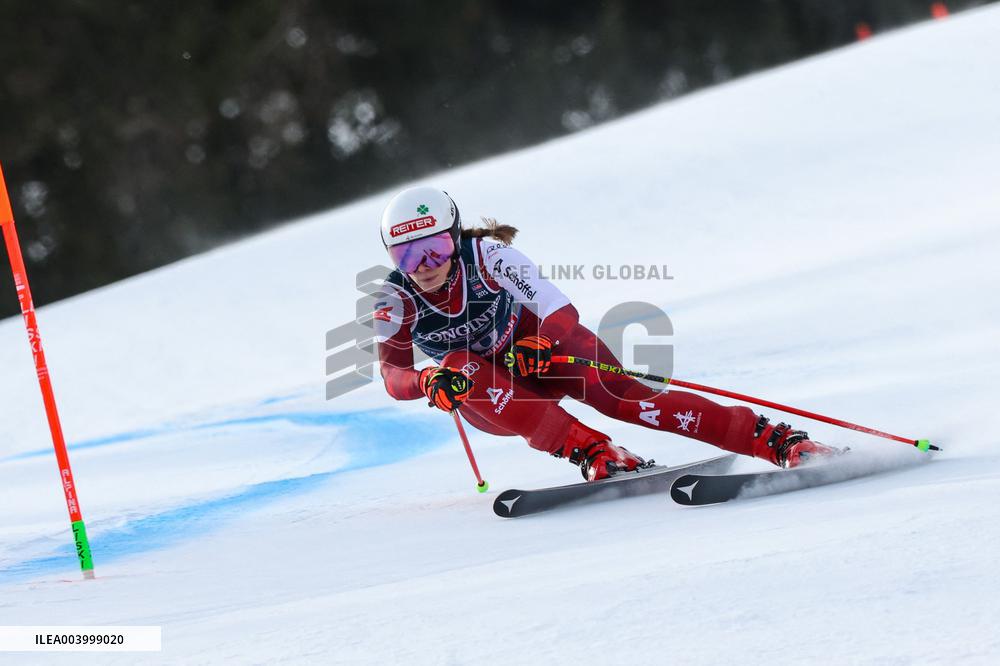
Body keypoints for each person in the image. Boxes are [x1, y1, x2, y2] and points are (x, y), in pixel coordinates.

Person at [373, 186, 837, 481]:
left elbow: (558, 309)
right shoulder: (394, 298)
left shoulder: (489, 256)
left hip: (544, 356)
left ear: (455, 238)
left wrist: (542, 340)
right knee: (457, 366)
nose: (424, 266)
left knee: (625, 399)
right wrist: (426, 381)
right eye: (407, 257)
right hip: (494, 396)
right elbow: (393, 375)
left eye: (435, 249)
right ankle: (594, 451)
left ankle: (775, 441)